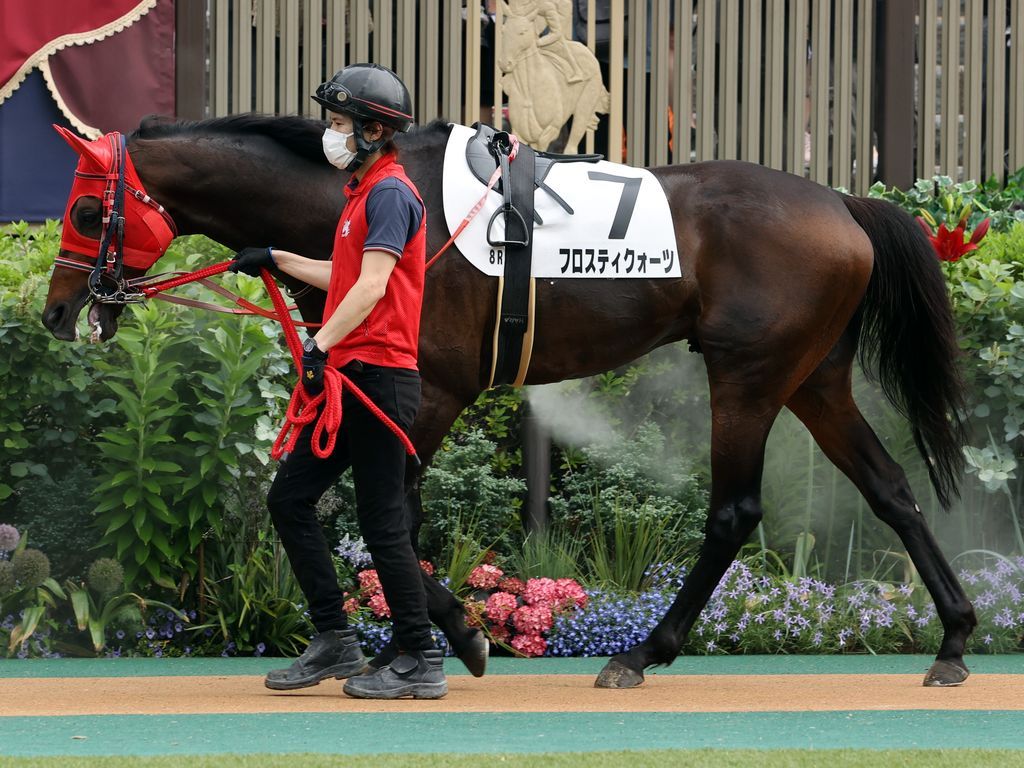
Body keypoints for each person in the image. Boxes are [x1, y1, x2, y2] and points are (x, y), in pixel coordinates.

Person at [229, 63, 483, 699]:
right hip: (353, 377)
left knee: (382, 522)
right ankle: (335, 639)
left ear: (373, 131)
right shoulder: (362, 194)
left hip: (379, 378)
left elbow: (371, 287)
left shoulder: (392, 194)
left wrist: (318, 343)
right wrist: (275, 258)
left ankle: (421, 658)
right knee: (290, 500)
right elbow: (344, 275)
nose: (330, 133)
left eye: (339, 122)